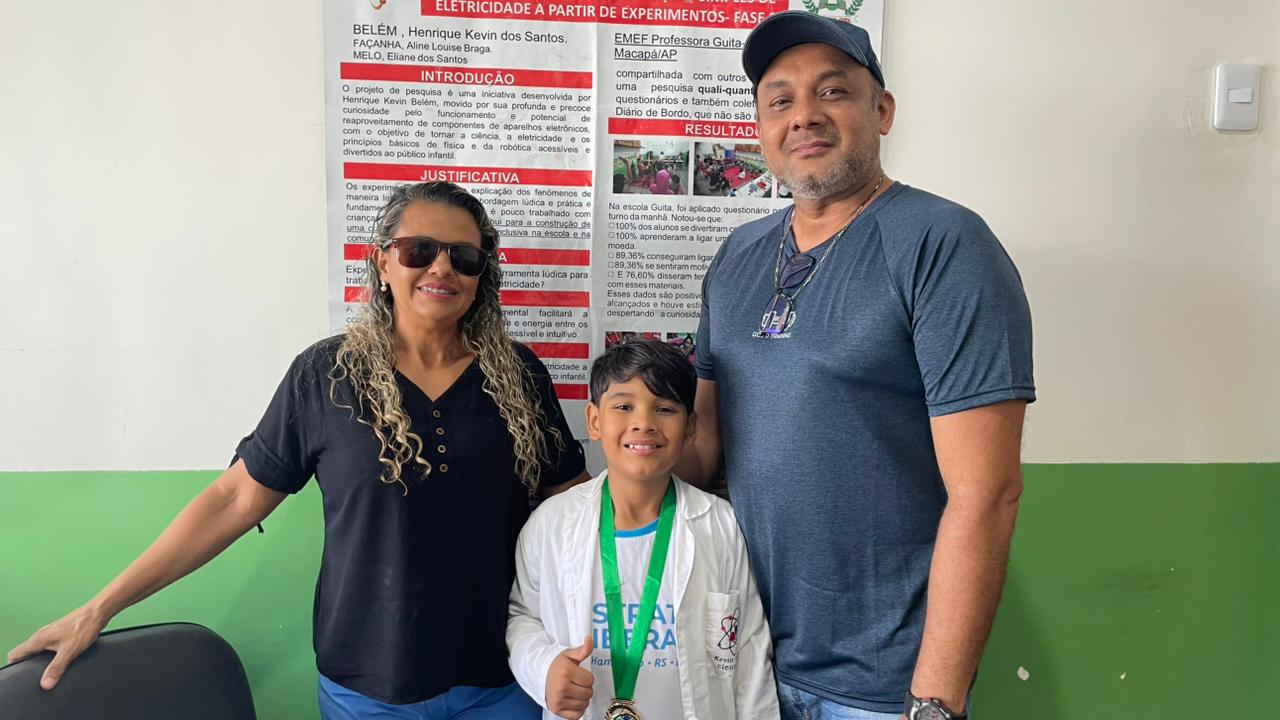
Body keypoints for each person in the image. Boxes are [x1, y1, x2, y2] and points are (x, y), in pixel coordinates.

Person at [7, 181, 589, 719]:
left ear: (481, 275)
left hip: (504, 677)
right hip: (368, 687)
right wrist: (98, 609)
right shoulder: (325, 375)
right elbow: (233, 499)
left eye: (463, 257)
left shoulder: (519, 376)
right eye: (419, 250)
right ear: (383, 262)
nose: (441, 267)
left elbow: (575, 513)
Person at [678, 12, 1036, 720]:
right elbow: (703, 445)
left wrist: (933, 702)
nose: (804, 116)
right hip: (740, 660)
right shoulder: (737, 256)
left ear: (883, 110)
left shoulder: (943, 244)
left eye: (832, 91)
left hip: (881, 684)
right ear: (761, 130)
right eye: (780, 100)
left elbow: (987, 494)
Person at [507, 339, 780, 720]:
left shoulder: (719, 525)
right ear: (594, 421)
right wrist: (544, 668)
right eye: (623, 406)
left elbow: (749, 652)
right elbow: (522, 616)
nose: (644, 423)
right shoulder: (551, 524)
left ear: (690, 427)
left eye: (665, 409)